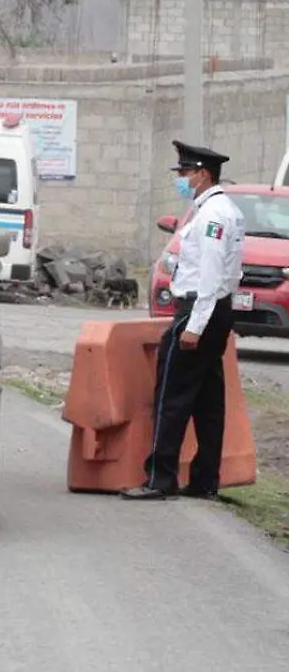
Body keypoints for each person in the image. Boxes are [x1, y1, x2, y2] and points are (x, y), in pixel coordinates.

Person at [122, 140, 246, 502]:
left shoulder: (211, 215)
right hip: (215, 310)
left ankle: (160, 479)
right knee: (208, 400)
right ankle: (205, 479)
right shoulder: (223, 209)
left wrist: (194, 326)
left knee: (171, 397)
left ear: (203, 174)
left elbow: (209, 272)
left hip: (199, 310)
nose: (182, 180)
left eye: (186, 173)